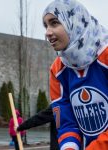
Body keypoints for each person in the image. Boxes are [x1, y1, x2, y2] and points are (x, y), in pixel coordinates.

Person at [43, 0, 108, 149]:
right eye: (45, 25)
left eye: (54, 23)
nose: (47, 32)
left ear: (75, 21)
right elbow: (66, 123)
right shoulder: (57, 70)